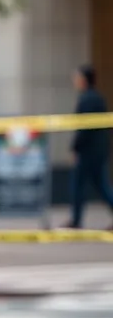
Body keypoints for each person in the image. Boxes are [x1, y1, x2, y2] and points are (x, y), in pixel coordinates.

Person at [66, 65, 113, 230]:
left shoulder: (88, 99)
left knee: (79, 185)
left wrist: (75, 148)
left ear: (84, 79)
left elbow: (84, 129)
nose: (75, 81)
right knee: (101, 186)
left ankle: (76, 221)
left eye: (77, 77)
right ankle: (75, 220)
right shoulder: (96, 98)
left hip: (89, 151)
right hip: (98, 150)